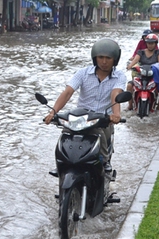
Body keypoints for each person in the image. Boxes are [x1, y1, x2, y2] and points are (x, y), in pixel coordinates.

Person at [45, 39, 126, 172]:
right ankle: (61, 163)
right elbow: (68, 92)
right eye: (100, 57)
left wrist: (116, 114)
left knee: (102, 135)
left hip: (103, 119)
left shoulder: (119, 76)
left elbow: (115, 94)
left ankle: (105, 163)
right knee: (65, 133)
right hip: (81, 117)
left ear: (115, 59)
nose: (104, 62)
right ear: (95, 58)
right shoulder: (83, 73)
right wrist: (53, 112)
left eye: (108, 58)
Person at [126, 33, 159, 111]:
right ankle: (130, 105)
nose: (150, 45)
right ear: (146, 43)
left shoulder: (158, 52)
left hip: (154, 76)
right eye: (148, 43)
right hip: (141, 75)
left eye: (152, 43)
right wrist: (130, 66)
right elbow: (135, 60)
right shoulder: (140, 52)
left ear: (155, 43)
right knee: (129, 86)